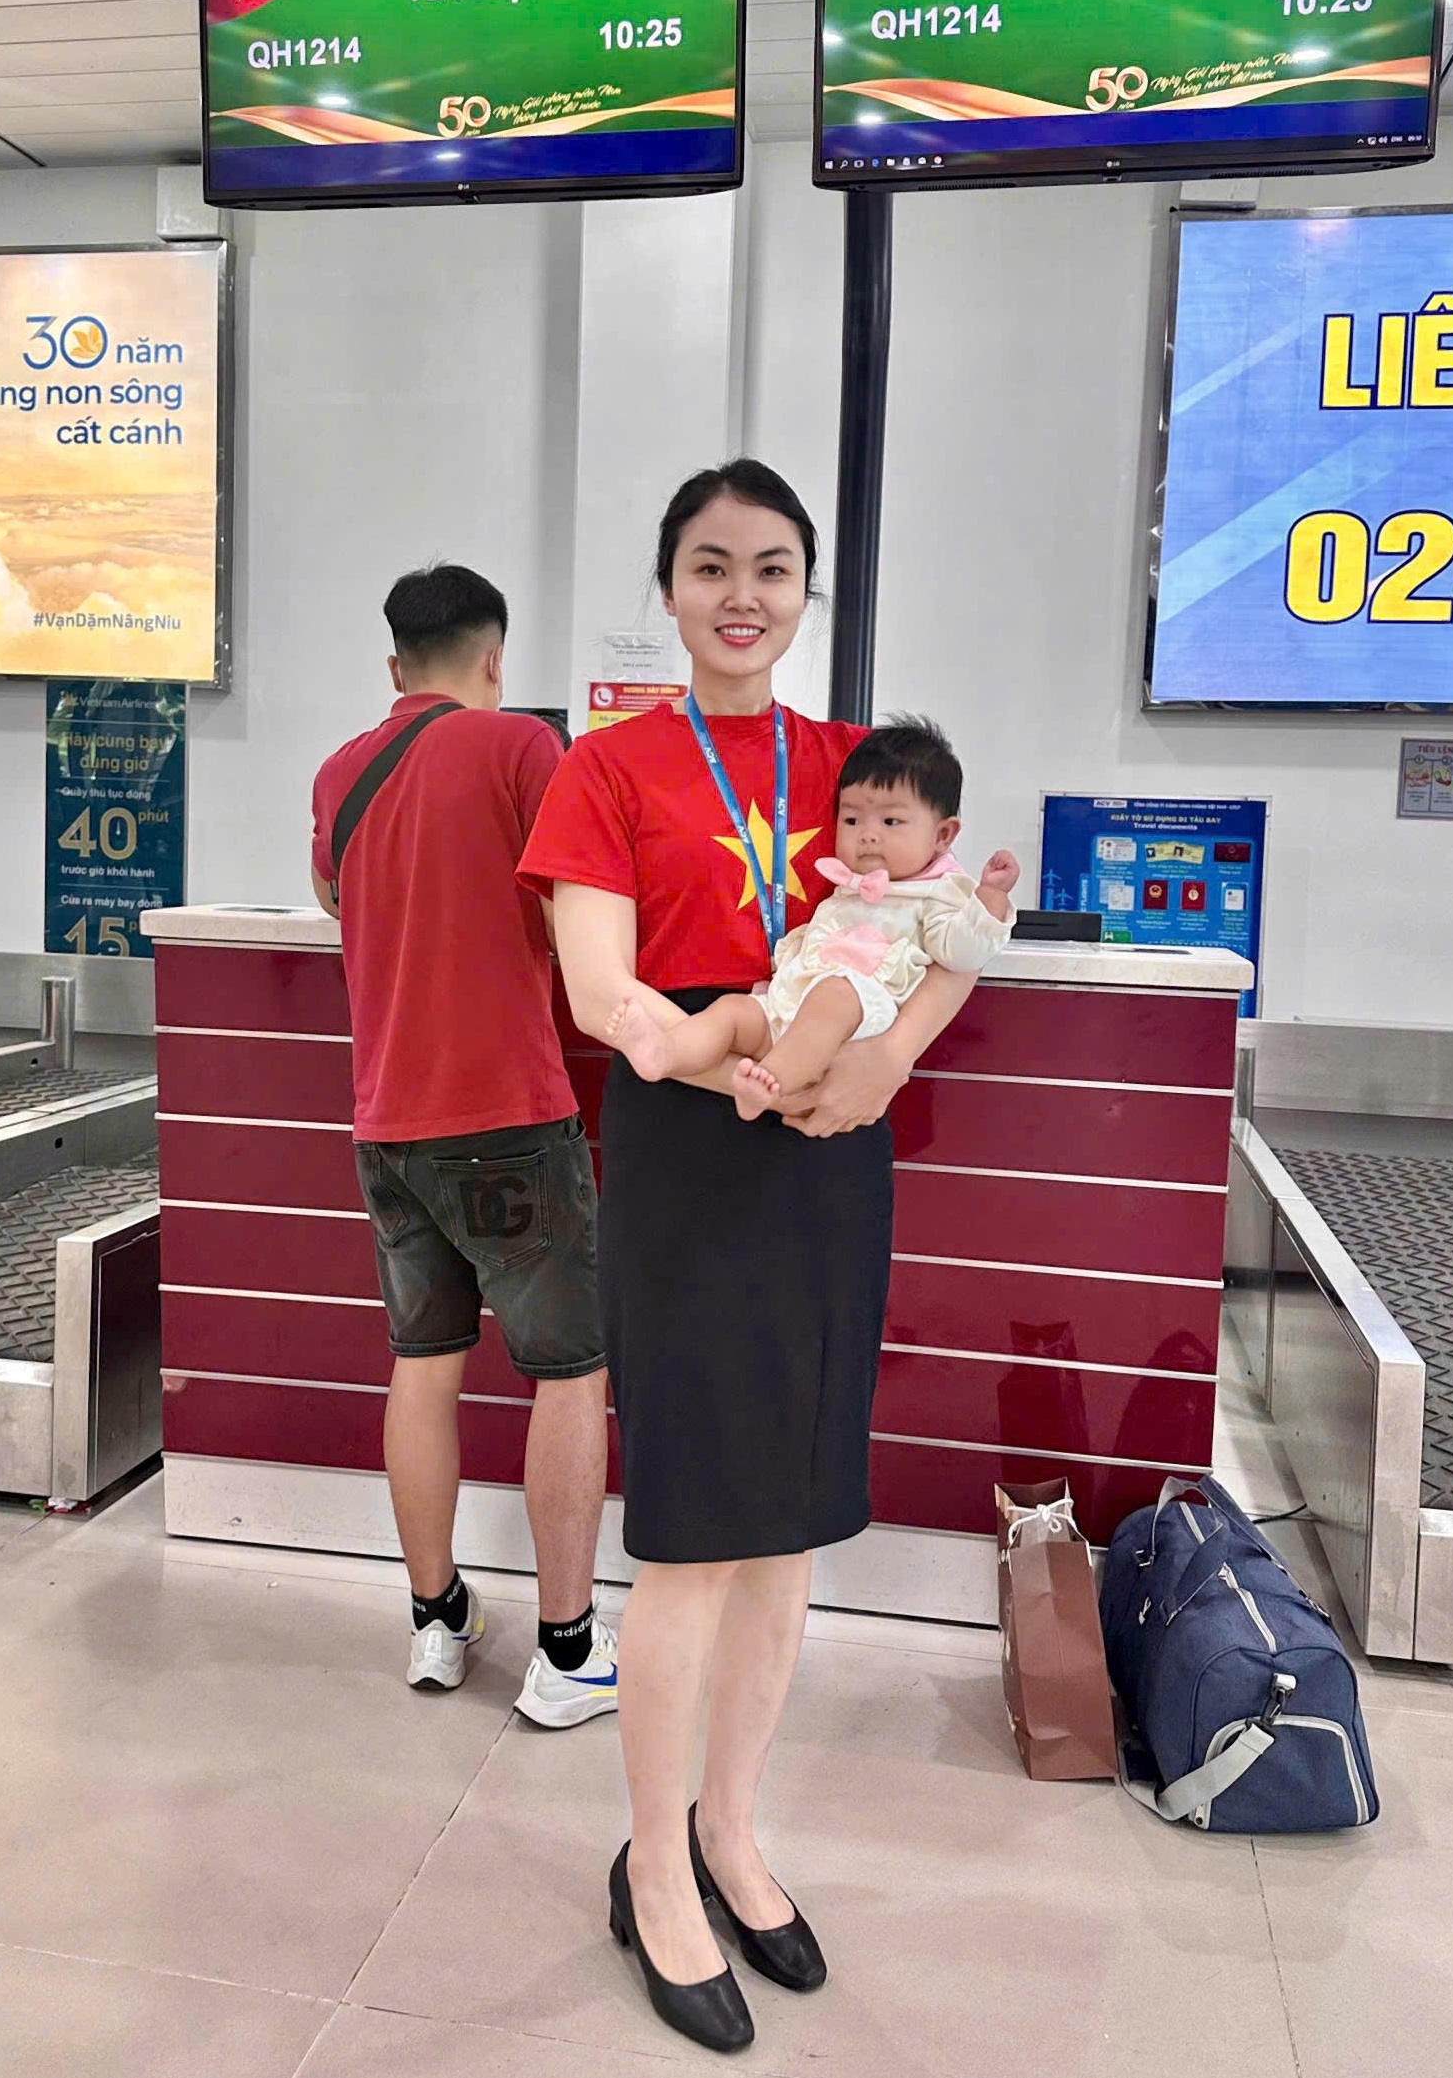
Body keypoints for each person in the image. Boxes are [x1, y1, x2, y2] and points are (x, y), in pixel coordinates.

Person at [519, 464, 996, 2053]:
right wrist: (716, 1049)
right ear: (668, 587)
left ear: (806, 591)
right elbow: (597, 987)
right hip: (692, 1148)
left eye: (773, 567)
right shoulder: (607, 766)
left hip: (830, 1152)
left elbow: (939, 939)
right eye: (712, 565)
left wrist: (882, 1064)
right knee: (697, 1533)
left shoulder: (858, 764)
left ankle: (731, 1827)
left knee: (787, 1523)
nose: (743, 595)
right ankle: (652, 1866)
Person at [310, 563, 617, 1729]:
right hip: (506, 1122)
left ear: (395, 665)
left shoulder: (341, 769)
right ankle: (569, 1650)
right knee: (569, 1370)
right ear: (495, 658)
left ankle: (437, 1623)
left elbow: (331, 894)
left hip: (387, 1125)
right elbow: (578, 913)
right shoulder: (523, 749)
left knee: (424, 1363)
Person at [604, 716, 1020, 1117]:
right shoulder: (848, 881)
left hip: (858, 1016)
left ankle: (770, 1083)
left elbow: (962, 953)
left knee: (834, 995)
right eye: (851, 819)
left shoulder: (938, 892)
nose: (867, 834)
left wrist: (991, 896)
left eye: (890, 821)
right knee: (731, 1012)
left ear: (943, 835)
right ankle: (666, 1053)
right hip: (790, 1001)